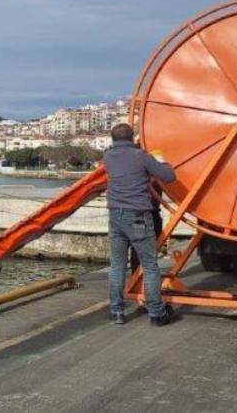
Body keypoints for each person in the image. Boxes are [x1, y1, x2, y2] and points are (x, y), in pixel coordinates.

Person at [104, 122, 176, 326]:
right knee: (150, 266)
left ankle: (116, 311)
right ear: (131, 138)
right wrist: (163, 164)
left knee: (117, 265)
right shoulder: (141, 156)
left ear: (113, 139)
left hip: (115, 216)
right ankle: (157, 313)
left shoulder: (108, 156)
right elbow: (169, 177)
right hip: (138, 216)